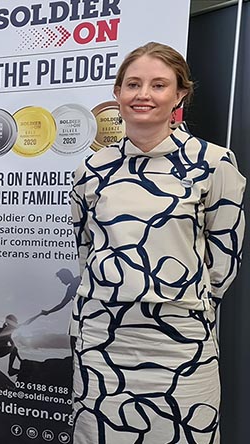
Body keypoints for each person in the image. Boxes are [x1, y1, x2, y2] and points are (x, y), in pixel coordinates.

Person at [70, 42, 245, 443]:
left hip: (182, 344)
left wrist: (179, 300)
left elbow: (224, 260)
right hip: (102, 338)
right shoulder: (90, 169)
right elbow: (86, 249)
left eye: (158, 85)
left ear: (180, 94)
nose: (143, 95)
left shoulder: (214, 163)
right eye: (133, 84)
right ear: (117, 93)